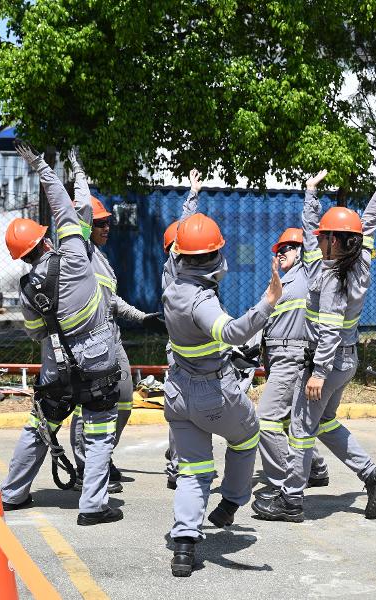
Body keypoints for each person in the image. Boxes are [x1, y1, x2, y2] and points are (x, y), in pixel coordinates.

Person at [252, 157, 376, 523]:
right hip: (346, 360)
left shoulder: (332, 281)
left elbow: (328, 328)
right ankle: (373, 475)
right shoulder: (358, 258)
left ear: (336, 242)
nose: (318, 239)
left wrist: (318, 372)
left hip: (327, 360)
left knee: (303, 427)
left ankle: (290, 500)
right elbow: (363, 224)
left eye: (325, 236)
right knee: (323, 422)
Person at [2, 140, 123, 526]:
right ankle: (92, 506)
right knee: (100, 435)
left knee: (40, 429)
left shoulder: (27, 289)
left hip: (58, 372)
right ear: (46, 239)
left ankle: (13, 494)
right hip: (99, 366)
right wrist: (44, 168)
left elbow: (36, 333)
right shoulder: (74, 256)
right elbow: (67, 206)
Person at [162, 212, 283, 577]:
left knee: (194, 470)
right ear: (215, 258)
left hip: (177, 393)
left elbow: (180, 244)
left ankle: (183, 545)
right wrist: (267, 302)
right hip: (212, 392)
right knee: (247, 437)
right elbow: (229, 333)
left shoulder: (170, 282)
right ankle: (231, 502)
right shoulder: (201, 301)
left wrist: (192, 205)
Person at [67, 149, 166, 493]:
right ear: (86, 227)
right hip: (89, 345)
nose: (107, 227)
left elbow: (113, 301)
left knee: (123, 402)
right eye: (100, 223)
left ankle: (101, 456)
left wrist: (144, 318)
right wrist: (78, 172)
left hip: (114, 341)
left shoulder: (103, 262)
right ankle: (86, 466)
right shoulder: (80, 256)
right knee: (90, 406)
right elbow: (78, 214)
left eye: (108, 222)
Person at [255, 200, 330, 501]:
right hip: (275, 358)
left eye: (288, 247)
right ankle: (315, 468)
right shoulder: (280, 280)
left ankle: (283, 483)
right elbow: (259, 316)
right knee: (290, 422)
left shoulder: (309, 276)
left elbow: (312, 242)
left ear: (302, 251)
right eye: (279, 249)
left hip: (292, 358)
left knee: (267, 421)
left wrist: (310, 197)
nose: (281, 252)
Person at [162, 170, 202, 490]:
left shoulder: (187, 277)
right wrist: (192, 195)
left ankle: (179, 460)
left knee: (182, 405)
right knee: (184, 406)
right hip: (184, 350)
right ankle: (179, 463)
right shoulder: (175, 270)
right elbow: (183, 236)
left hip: (188, 348)